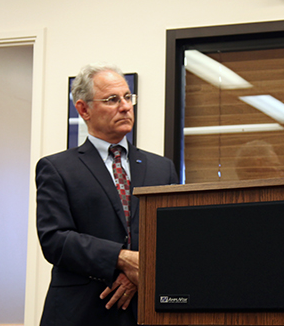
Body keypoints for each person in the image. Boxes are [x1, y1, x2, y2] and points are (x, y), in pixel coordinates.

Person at [36, 63, 179, 326]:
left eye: (127, 97)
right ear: (83, 109)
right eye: (112, 99)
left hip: (146, 309)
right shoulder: (57, 168)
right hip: (80, 311)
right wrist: (121, 258)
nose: (125, 106)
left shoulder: (162, 168)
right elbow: (55, 240)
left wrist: (138, 274)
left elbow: (175, 238)